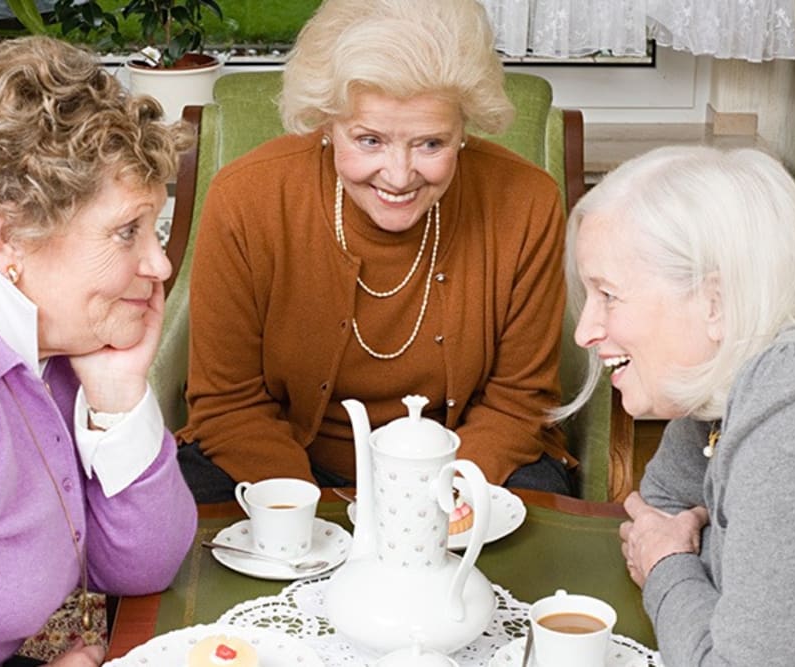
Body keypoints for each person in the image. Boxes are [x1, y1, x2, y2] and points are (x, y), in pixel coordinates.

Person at [0, 36, 198, 666]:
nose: (158, 264)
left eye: (153, 228)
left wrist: (119, 394)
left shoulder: (48, 332)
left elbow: (142, 567)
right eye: (127, 231)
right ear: (13, 234)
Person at [176, 0, 573, 503]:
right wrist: (301, 506)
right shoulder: (245, 198)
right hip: (281, 458)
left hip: (466, 463)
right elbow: (227, 403)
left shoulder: (527, 202)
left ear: (464, 130)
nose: (399, 175)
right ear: (326, 123)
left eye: (431, 144)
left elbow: (520, 401)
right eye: (369, 140)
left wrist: (436, 505)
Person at [561, 145, 795, 665]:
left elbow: (660, 541)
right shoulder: (740, 357)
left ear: (715, 301)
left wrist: (668, 564)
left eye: (608, 295)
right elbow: (659, 504)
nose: (585, 332)